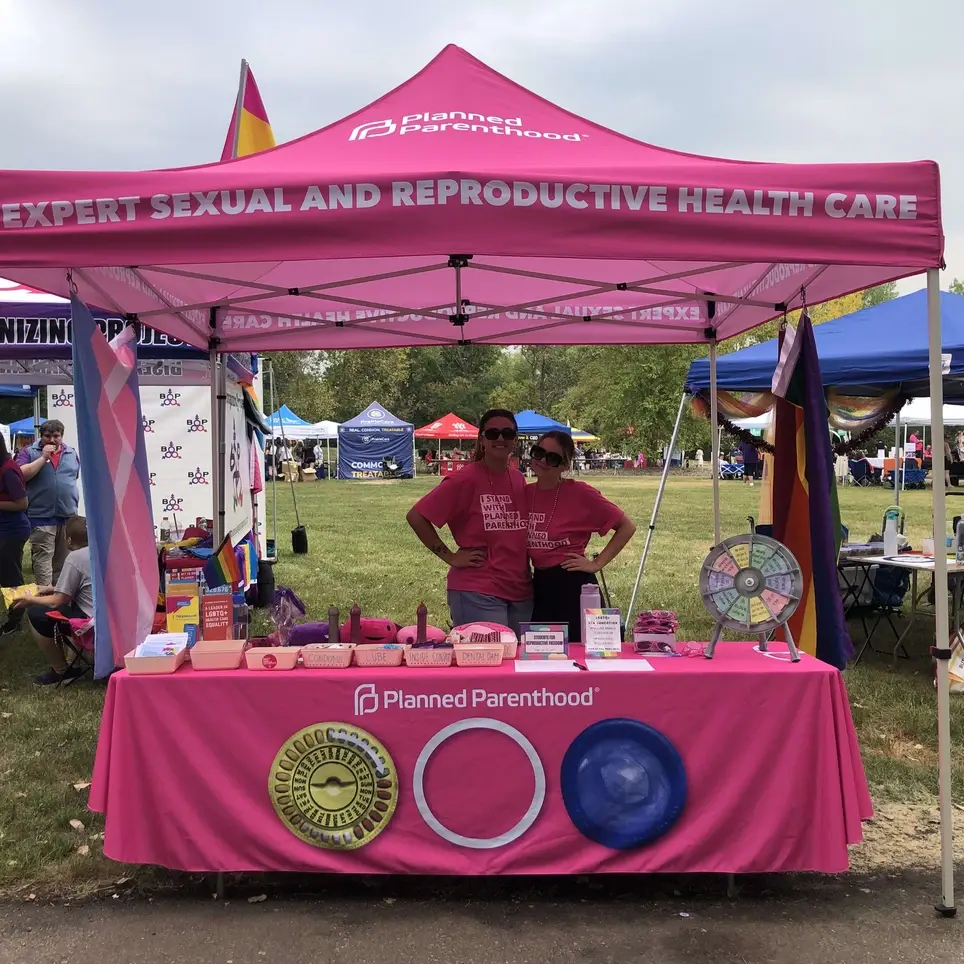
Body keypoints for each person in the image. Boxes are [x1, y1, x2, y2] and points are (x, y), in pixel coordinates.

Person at [406, 409, 531, 632]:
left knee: (516, 663)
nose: (500, 438)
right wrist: (451, 557)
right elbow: (417, 516)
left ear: (515, 440)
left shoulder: (518, 478)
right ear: (482, 440)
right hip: (478, 590)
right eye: (492, 433)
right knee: (488, 661)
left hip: (521, 591)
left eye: (507, 433)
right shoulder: (464, 479)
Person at [525, 431, 636, 640]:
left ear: (566, 465)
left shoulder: (580, 493)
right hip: (538, 584)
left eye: (553, 458)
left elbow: (627, 526)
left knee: (584, 653)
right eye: (538, 452)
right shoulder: (525, 493)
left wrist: (596, 564)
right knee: (544, 658)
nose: (542, 460)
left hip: (573, 583)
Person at [9, 515, 92, 685]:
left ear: (68, 540)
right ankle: (72, 661)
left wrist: (30, 600)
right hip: (109, 617)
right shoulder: (102, 553)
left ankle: (60, 670)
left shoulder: (75, 558)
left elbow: (58, 600)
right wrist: (49, 588)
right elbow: (84, 585)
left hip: (90, 622)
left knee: (36, 614)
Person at [15, 420, 80, 589]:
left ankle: (60, 600)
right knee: (43, 561)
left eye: (56, 436)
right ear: (41, 436)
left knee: (64, 561)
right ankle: (44, 602)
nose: (52, 440)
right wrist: (43, 457)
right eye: (47, 436)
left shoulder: (71, 453)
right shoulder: (28, 452)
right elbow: (20, 476)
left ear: (61, 436)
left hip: (67, 516)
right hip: (41, 517)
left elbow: (73, 478)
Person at [0, 435, 30, 636]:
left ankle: (15, 621)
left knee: (10, 578)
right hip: (4, 529)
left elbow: (22, 503)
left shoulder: (8, 470)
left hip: (12, 531)